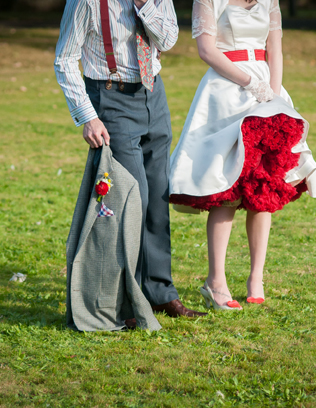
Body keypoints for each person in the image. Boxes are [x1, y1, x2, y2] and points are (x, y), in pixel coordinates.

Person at [168, 0, 316, 310]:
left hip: (267, 92)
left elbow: (275, 48)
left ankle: (256, 278)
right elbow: (207, 50)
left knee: (263, 186)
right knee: (226, 185)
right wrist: (249, 83)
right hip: (225, 91)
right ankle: (216, 282)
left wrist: (273, 95)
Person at [55, 0, 207, 319]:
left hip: (153, 94)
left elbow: (168, 40)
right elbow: (65, 58)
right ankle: (127, 298)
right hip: (111, 97)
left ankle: (159, 291)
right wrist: (87, 117)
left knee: (156, 198)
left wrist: (144, 5)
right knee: (131, 199)